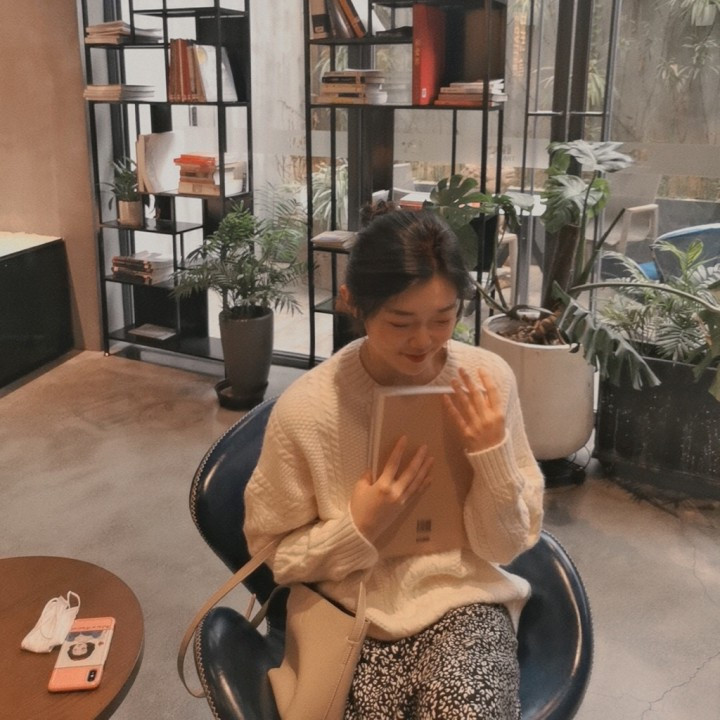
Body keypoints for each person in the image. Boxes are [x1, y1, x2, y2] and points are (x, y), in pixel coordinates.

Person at [244, 205, 544, 719]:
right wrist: (358, 527)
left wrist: (492, 456)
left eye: (443, 318)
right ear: (352, 303)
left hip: (463, 600)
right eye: (400, 322)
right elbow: (274, 556)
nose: (424, 341)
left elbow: (505, 546)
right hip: (351, 615)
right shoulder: (308, 411)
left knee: (468, 707)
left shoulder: (487, 383)